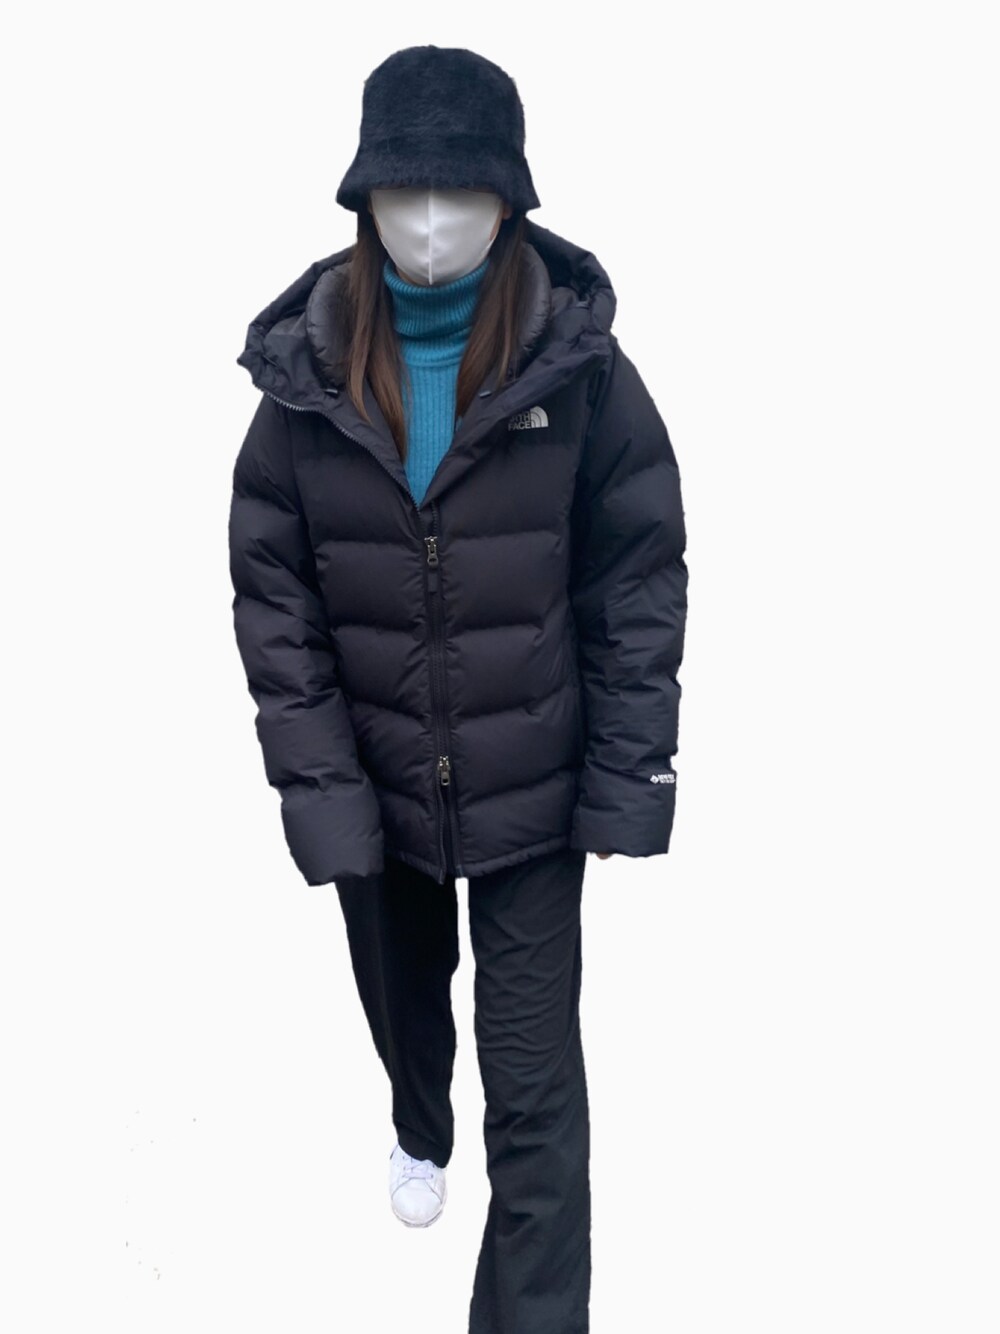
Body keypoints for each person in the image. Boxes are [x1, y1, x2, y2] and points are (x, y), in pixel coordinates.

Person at [228, 43, 688, 1334]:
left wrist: (629, 775)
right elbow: (275, 603)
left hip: (532, 786)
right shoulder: (307, 384)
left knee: (535, 1093)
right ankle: (417, 1117)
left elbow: (638, 579)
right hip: (375, 775)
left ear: (510, 202)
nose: (432, 219)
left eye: (464, 191)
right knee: (405, 1000)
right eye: (404, 190)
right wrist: (320, 790)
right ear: (363, 202)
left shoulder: (579, 373)